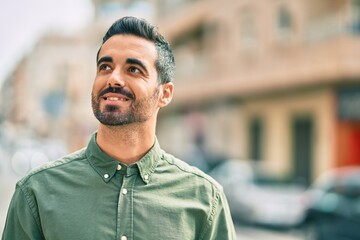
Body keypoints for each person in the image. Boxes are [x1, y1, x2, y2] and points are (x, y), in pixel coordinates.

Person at [2, 16, 236, 240]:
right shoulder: (36, 192)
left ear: (164, 94)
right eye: (105, 67)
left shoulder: (205, 199)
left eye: (133, 69)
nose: (113, 79)